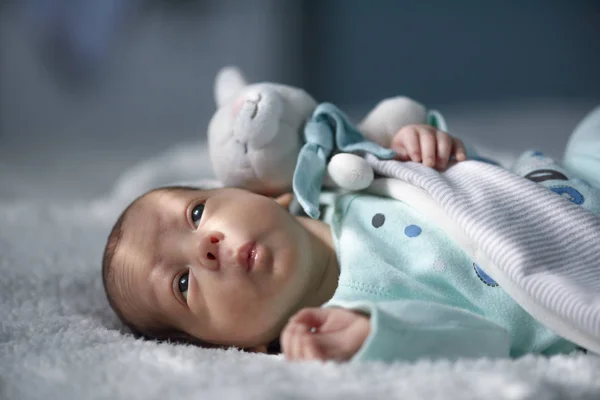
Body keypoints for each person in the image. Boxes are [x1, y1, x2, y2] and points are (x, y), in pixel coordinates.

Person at [102, 109, 600, 363]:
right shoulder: (354, 314)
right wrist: (379, 337)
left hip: (563, 179)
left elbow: (462, 179)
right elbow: (482, 339)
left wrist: (425, 142)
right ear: (236, 346)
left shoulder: (340, 177)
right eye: (182, 284)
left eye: (196, 213)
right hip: (571, 274)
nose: (206, 248)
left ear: (266, 195)